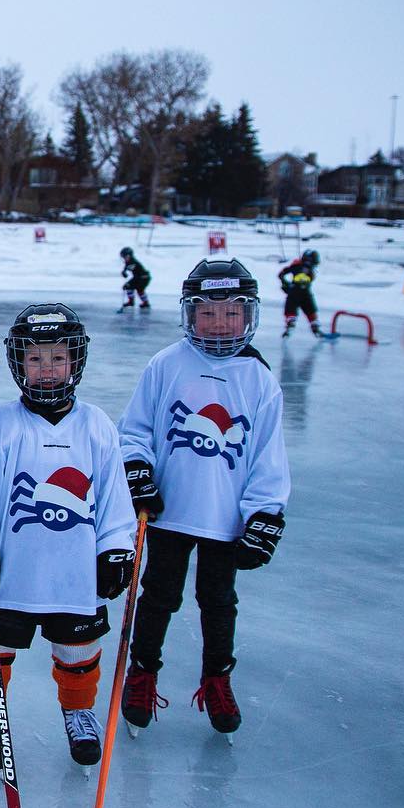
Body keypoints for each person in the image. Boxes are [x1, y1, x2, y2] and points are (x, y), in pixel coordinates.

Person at [118, 258, 291, 739]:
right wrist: (137, 470)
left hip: (226, 517)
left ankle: (217, 677)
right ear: (189, 314)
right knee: (159, 596)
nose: (220, 323)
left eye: (232, 312)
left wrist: (264, 514)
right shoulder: (167, 364)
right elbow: (136, 430)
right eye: (208, 312)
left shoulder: (259, 379)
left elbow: (266, 458)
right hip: (170, 511)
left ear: (249, 316)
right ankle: (142, 672)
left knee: (218, 601)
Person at [0, 304, 136, 770]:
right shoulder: (1, 423)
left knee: (78, 650)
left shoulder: (97, 424)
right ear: (17, 363)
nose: (46, 370)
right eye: (35, 359)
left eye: (57, 359)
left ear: (76, 361)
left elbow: (116, 497)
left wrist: (116, 548)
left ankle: (79, 711)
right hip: (14, 571)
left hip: (73, 571)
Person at [278, 249, 321, 337]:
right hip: (305, 293)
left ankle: (291, 323)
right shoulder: (309, 270)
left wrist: (285, 284)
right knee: (310, 310)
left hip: (294, 292)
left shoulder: (297, 265)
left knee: (291, 309)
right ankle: (315, 325)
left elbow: (281, 274)